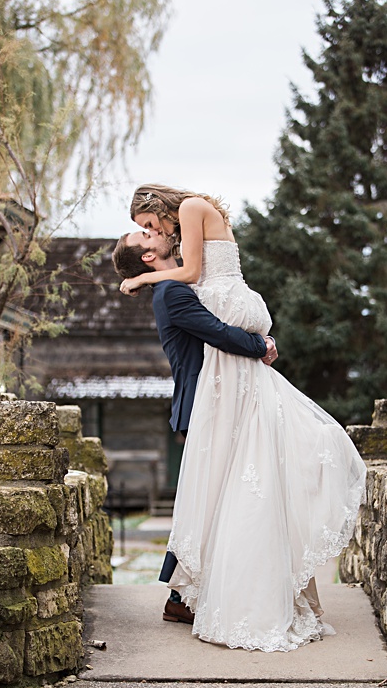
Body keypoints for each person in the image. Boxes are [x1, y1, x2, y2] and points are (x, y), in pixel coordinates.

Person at [112, 183, 365, 652]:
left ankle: (186, 598)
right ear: (148, 258)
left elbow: (203, 291)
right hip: (207, 398)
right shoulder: (172, 291)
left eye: (147, 226)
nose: (151, 231)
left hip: (222, 392)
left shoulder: (187, 245)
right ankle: (189, 596)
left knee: (215, 499)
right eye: (144, 234)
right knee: (215, 499)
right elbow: (216, 330)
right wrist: (260, 345)